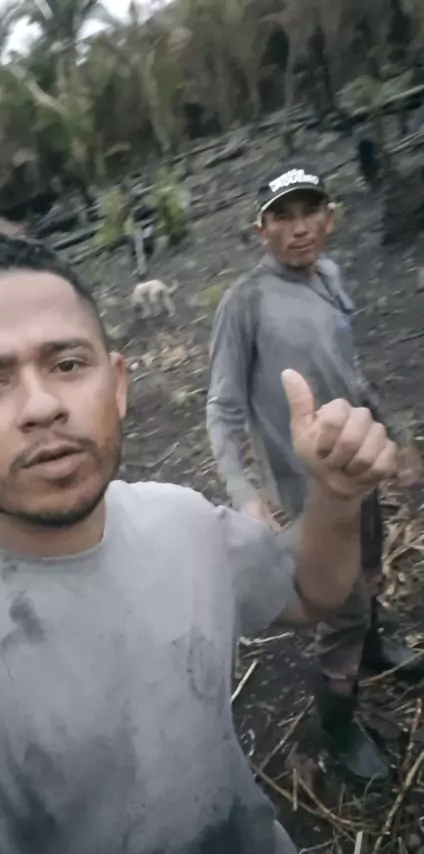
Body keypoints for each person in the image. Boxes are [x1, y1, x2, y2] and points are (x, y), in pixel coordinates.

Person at [0, 236, 396, 854]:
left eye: (68, 365)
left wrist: (336, 494)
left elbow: (307, 591)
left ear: (118, 384)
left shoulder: (179, 521)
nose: (42, 406)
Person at [207, 163, 423, 783]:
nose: (299, 229)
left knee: (370, 565)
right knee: (340, 607)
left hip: (358, 466)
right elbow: (222, 407)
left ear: (329, 218)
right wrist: (245, 493)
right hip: (307, 493)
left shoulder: (329, 276)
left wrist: (398, 436)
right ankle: (337, 722)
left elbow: (350, 374)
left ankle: (373, 645)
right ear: (262, 231)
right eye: (283, 217)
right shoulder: (245, 302)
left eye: (310, 213)